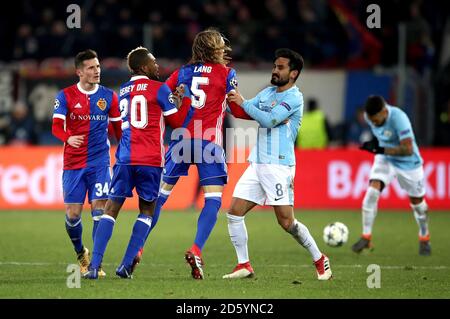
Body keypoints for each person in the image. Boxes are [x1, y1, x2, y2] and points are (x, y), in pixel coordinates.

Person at [224, 48, 332, 280]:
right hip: (258, 163)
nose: (275, 70)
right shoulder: (267, 93)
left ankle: (319, 258)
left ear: (293, 73)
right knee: (234, 213)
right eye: (274, 66)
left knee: (286, 222)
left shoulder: (294, 98)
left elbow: (269, 119)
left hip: (278, 166)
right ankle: (244, 264)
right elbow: (245, 112)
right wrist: (227, 93)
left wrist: (243, 102)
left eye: (280, 67)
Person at [83, 47, 189, 279]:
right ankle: (125, 265)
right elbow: (177, 121)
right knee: (147, 210)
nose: (157, 66)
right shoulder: (159, 88)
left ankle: (94, 267)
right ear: (143, 67)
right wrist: (181, 100)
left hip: (125, 157)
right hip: (150, 159)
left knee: (111, 209)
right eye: (153, 62)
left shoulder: (123, 90)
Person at [151, 28, 238, 280]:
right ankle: (196, 249)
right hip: (209, 143)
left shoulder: (182, 72)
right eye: (221, 43)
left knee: (159, 196)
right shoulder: (227, 74)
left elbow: (161, 95)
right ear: (214, 48)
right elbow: (235, 106)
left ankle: (138, 249)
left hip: (180, 140)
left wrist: (175, 101)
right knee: (213, 200)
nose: (224, 46)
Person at [52, 49, 122, 276]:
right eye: (91, 68)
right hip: (73, 164)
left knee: (99, 212)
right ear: (79, 72)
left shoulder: (109, 96)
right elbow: (55, 127)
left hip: (100, 162)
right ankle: (81, 252)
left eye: (98, 67)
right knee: (73, 216)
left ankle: (96, 264)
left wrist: (124, 149)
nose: (97, 71)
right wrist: (67, 138)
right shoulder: (65, 96)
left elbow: (117, 129)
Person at [352, 95, 431, 256]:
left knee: (418, 205)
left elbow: (408, 149)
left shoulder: (399, 118)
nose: (373, 123)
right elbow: (380, 137)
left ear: (384, 111)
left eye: (376, 120)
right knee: (371, 193)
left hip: (408, 163)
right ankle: (366, 236)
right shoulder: (369, 116)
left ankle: (424, 236)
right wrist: (375, 146)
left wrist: (380, 149)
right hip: (385, 160)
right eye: (371, 120)